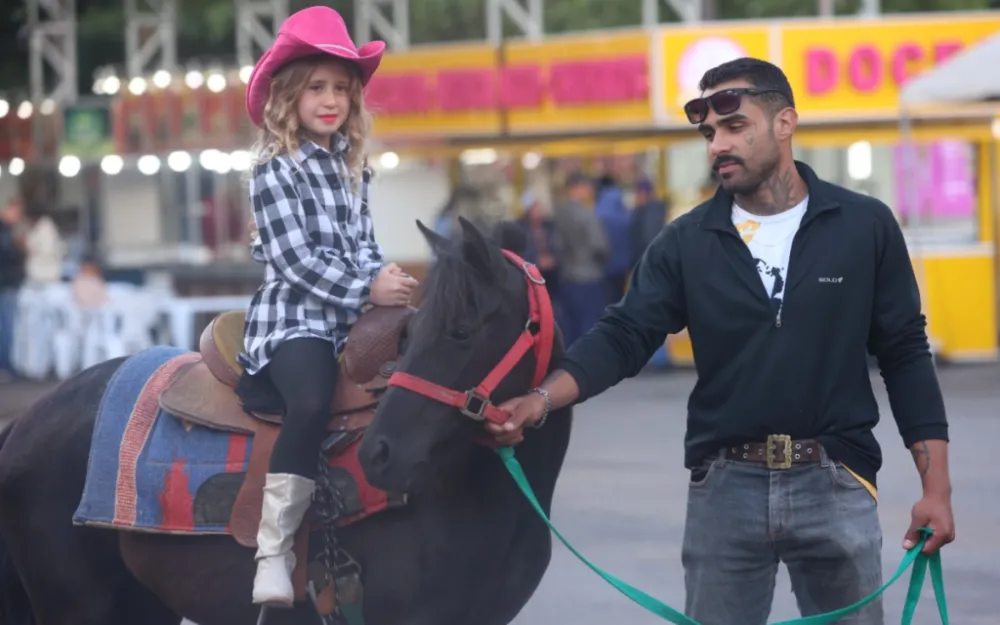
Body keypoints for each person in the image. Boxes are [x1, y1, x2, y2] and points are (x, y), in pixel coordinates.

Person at [490, 57, 954, 625]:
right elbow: (623, 334)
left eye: (735, 128)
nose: (717, 146)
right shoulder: (687, 240)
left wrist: (937, 489)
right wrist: (538, 400)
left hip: (836, 478)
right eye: (709, 133)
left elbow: (905, 353)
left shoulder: (863, 225)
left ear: (785, 123)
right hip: (725, 485)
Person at [236, 6, 418, 608]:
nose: (331, 98)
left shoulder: (350, 168)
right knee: (311, 401)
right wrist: (366, 290)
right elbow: (295, 260)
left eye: (342, 87)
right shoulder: (273, 169)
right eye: (316, 87)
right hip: (294, 320)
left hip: (349, 315)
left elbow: (361, 243)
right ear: (289, 95)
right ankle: (275, 549)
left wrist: (383, 275)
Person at [552, 172, 610, 347]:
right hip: (589, 276)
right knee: (589, 325)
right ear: (580, 188)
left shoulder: (560, 213)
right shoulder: (587, 214)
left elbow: (557, 244)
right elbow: (600, 246)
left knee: (570, 326)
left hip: (568, 276)